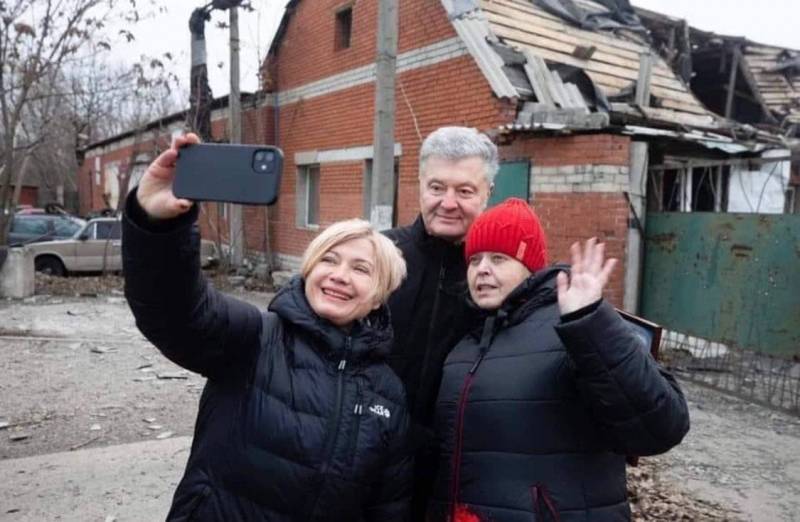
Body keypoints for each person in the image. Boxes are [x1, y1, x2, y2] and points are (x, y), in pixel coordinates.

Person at [122, 133, 412, 521]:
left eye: (361, 269)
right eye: (329, 260)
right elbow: (174, 310)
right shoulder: (255, 338)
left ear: (379, 296)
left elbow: (388, 508)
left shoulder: (389, 394)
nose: (340, 275)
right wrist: (158, 225)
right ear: (309, 270)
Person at [428, 198, 691, 522]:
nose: (482, 269)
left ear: (530, 267)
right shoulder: (464, 345)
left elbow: (662, 426)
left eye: (498, 258)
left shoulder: (576, 328)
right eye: (474, 259)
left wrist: (591, 323)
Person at [383, 126, 496, 517]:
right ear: (419, 185)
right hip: (372, 461)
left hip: (460, 474)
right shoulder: (377, 256)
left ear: (487, 194)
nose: (448, 203)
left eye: (464, 191)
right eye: (436, 187)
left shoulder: (501, 277)